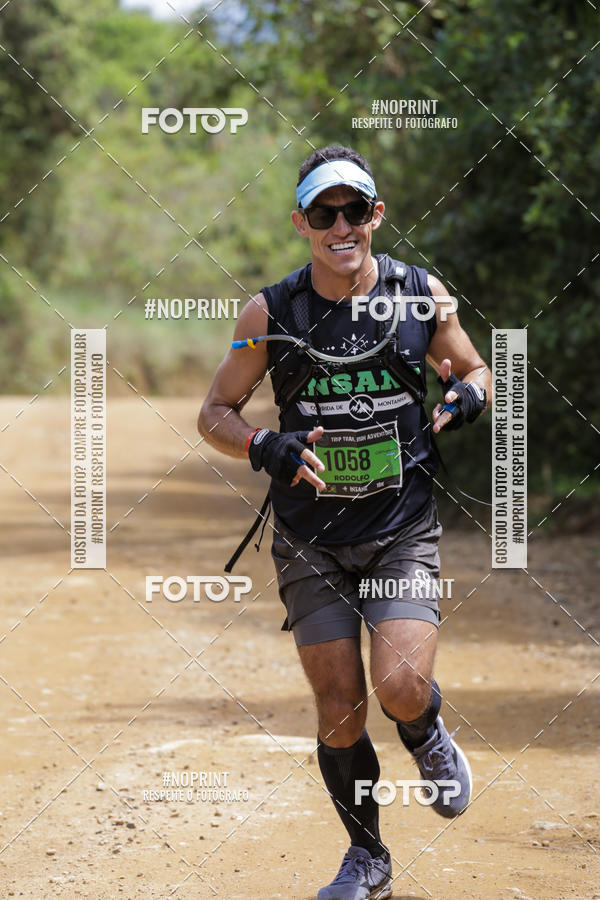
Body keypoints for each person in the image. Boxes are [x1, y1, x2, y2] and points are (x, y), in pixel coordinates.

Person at [198, 144, 491, 900]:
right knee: (339, 709)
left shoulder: (420, 295)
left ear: (375, 215)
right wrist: (264, 445)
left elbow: (476, 369)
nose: (340, 225)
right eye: (323, 213)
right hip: (309, 539)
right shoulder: (269, 313)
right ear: (301, 223)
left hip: (400, 528)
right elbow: (215, 411)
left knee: (400, 687)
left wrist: (467, 396)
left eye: (353, 210)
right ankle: (368, 857)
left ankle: (424, 730)